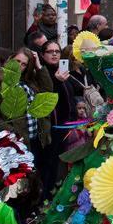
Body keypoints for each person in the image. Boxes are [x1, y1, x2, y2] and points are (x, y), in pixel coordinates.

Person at [38, 40, 83, 196]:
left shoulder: (62, 70)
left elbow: (70, 94)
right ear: (43, 55)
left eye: (57, 51)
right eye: (50, 51)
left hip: (66, 124)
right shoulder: (43, 74)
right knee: (48, 162)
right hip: (52, 126)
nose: (55, 54)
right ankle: (45, 194)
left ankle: (53, 191)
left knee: (59, 161)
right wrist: (57, 81)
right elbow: (48, 97)